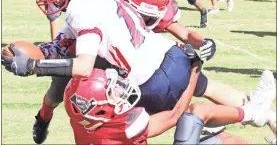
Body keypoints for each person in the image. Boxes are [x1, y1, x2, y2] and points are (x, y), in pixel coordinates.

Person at [2, 0, 275, 143]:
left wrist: (36, 65)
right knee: (201, 99)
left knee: (97, 106)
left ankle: (251, 116)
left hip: (146, 82)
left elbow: (83, 66)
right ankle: (259, 114)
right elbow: (64, 44)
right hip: (168, 57)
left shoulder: (81, 10)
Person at [64, 68, 276, 145]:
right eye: (112, 93)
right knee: (197, 112)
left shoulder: (84, 123)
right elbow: (175, 115)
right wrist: (193, 72)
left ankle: (254, 113)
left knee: (226, 140)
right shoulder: (124, 129)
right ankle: (252, 112)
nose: (120, 91)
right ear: (96, 109)